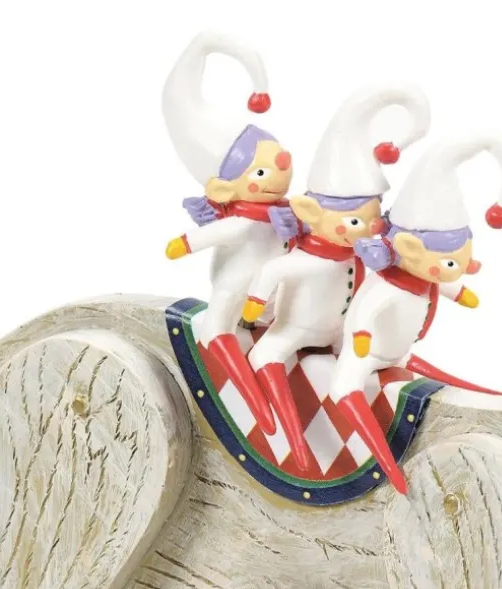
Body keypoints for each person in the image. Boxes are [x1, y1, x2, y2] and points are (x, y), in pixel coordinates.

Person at [240, 84, 430, 473]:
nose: (367, 230)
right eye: (355, 221)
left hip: (340, 336)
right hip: (296, 330)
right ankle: (291, 439)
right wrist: (253, 309)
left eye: (373, 219)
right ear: (311, 212)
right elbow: (272, 271)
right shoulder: (307, 259)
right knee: (264, 354)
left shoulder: (360, 256)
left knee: (372, 360)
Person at [328, 132, 502, 493]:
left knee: (448, 383)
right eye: (451, 262)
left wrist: (459, 292)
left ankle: (495, 402)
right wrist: (361, 335)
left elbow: (443, 285)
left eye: (463, 259)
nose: (459, 269)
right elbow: (365, 312)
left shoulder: (426, 279)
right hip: (365, 356)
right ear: (408, 248)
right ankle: (387, 464)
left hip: (400, 353)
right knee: (343, 388)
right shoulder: (387, 286)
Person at [161, 31, 294, 434]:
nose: (280, 170)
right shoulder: (278, 216)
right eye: (261, 170)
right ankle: (259, 393)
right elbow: (227, 231)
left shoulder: (264, 217)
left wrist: (184, 244)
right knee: (244, 324)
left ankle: (258, 405)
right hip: (264, 290)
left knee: (215, 330)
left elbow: (218, 233)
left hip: (245, 286)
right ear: (221, 190)